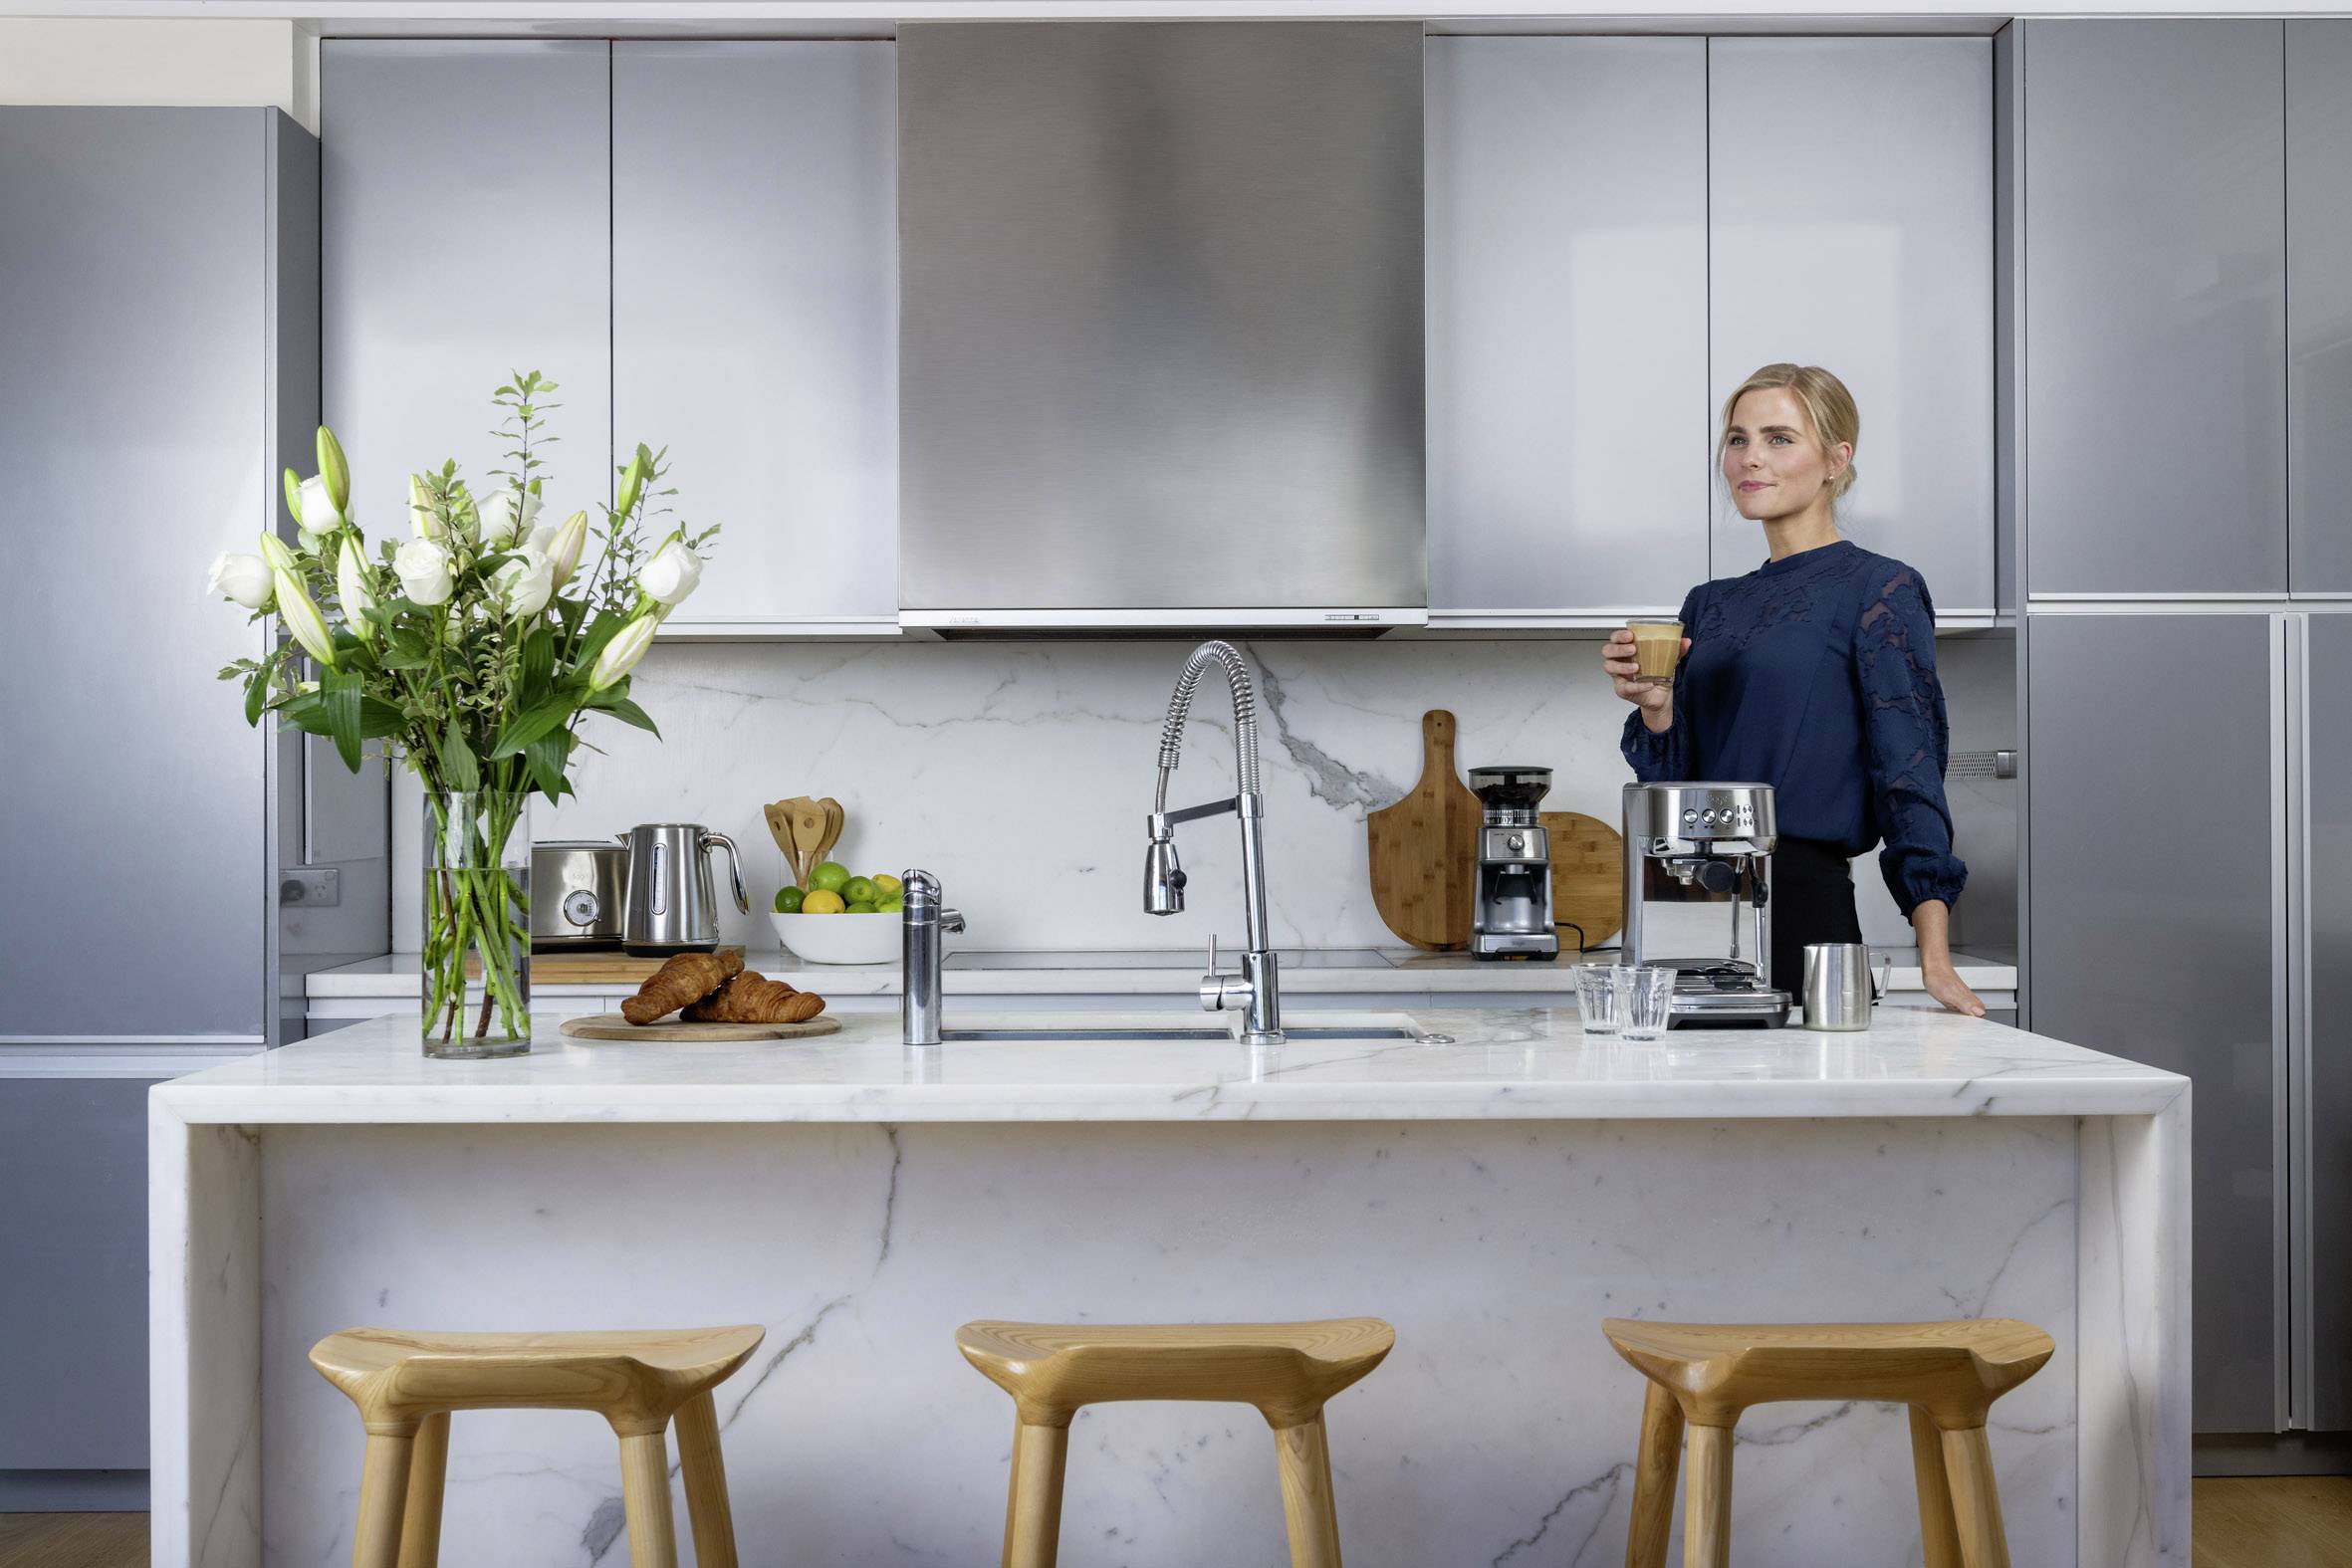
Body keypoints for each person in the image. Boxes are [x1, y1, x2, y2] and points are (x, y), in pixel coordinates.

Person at [1602, 362, 1985, 1016]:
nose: (1751, 458)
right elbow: (1677, 780)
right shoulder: (1709, 604)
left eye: (1780, 438)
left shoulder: (1879, 590)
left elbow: (1909, 771)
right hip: (1690, 918)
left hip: (1808, 919)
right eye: (1737, 438)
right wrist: (1658, 708)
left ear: (1837, 459)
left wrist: (1935, 957)